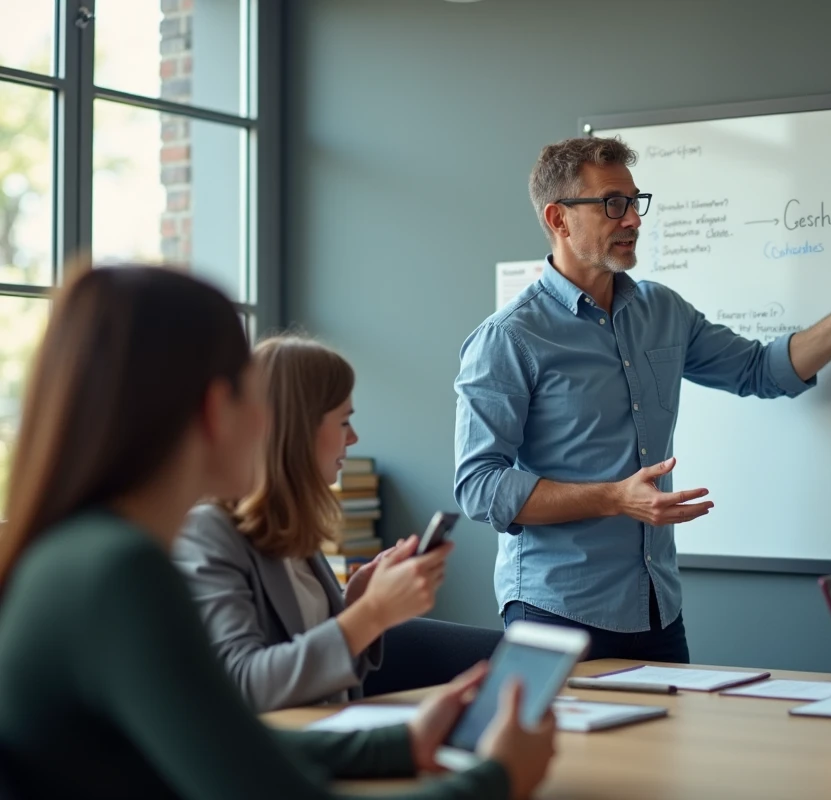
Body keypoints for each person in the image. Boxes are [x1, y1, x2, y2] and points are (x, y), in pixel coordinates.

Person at [0, 266, 554, 800]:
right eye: (252, 395)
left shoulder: (75, 559)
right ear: (217, 409)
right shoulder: (121, 573)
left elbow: (228, 743)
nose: (267, 422)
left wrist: (401, 742)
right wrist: (498, 777)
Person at [453, 136, 831, 662]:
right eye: (612, 204)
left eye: (633, 201)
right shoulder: (510, 339)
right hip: (555, 612)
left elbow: (760, 369)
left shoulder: (661, 311)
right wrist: (613, 497)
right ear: (559, 219)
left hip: (656, 609)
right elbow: (479, 487)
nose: (633, 219)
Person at [175, 335, 501, 712]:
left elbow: (322, 663)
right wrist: (372, 612)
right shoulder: (208, 532)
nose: (353, 437)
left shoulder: (290, 526)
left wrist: (357, 601)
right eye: (344, 421)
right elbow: (245, 683)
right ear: (297, 429)